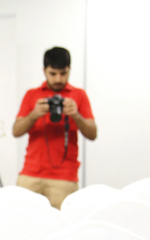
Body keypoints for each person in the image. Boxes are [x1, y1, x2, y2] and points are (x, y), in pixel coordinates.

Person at [13, 47, 97, 209]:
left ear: (69, 70)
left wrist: (76, 115)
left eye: (63, 73)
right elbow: (16, 131)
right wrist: (34, 114)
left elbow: (92, 134)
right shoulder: (32, 95)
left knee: (64, 222)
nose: (58, 78)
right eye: (53, 73)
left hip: (64, 177)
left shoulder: (79, 95)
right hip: (30, 174)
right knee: (23, 219)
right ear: (44, 70)